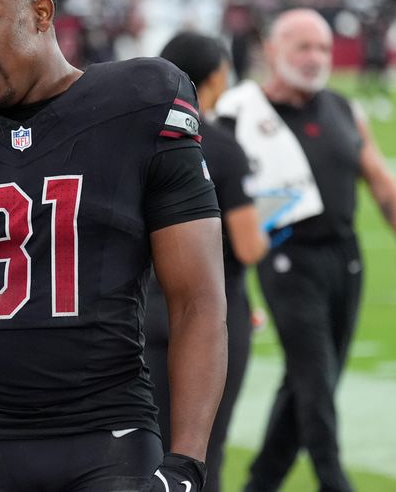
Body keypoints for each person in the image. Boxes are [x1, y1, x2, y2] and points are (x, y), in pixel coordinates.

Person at [0, 0, 228, 491]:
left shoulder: (139, 105)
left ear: (40, 14)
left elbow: (197, 300)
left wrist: (186, 464)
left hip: (107, 434)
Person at [216, 9, 396, 492]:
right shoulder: (238, 111)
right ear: (272, 51)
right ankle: (335, 481)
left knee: (311, 383)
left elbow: (381, 182)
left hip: (346, 259)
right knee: (315, 384)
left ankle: (260, 484)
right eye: (303, 47)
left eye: (324, 48)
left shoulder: (343, 108)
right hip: (286, 258)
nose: (315, 58)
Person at [144, 32, 269, 492]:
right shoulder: (220, 146)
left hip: (141, 310)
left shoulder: (136, 139)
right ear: (215, 79)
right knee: (199, 455)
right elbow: (248, 247)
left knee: (146, 454)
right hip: (207, 313)